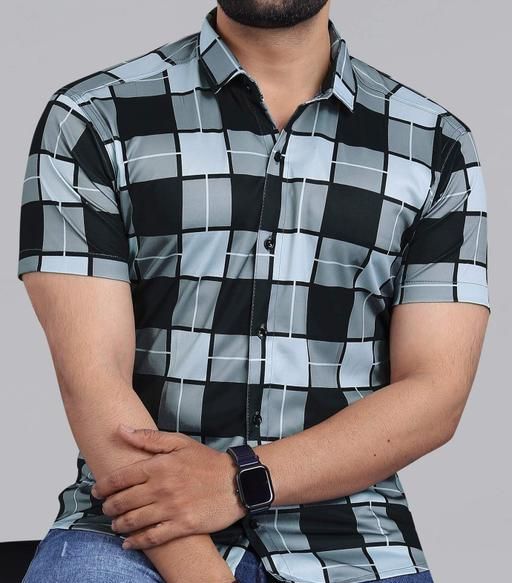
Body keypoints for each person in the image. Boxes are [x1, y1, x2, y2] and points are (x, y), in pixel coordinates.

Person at [18, 1, 491, 582]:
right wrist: (200, 569)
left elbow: (436, 392)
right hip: (132, 531)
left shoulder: (436, 145)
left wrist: (239, 480)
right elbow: (93, 378)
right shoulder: (93, 118)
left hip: (356, 543)